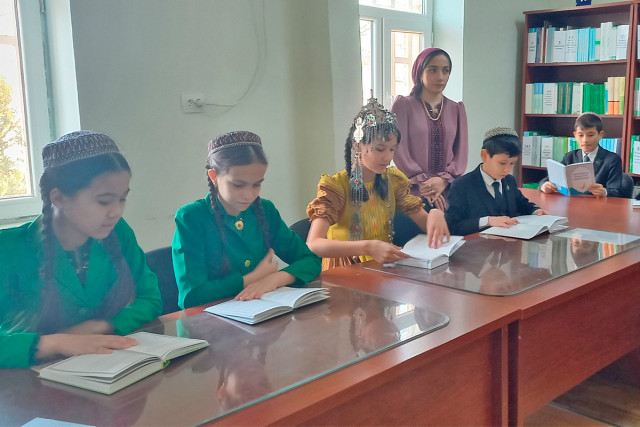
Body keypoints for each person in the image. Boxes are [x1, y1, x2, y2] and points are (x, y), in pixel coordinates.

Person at [0, 131, 162, 368]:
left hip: (105, 369)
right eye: (104, 201)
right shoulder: (8, 248)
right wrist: (56, 342)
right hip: (27, 379)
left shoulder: (118, 231)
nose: (116, 212)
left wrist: (102, 326)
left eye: (122, 199)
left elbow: (150, 298)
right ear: (59, 198)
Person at [172, 131, 321, 308]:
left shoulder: (265, 210)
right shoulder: (191, 217)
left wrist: (274, 279)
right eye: (238, 185)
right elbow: (191, 296)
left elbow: (311, 260)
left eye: (257, 184)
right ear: (214, 177)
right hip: (212, 319)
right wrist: (251, 278)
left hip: (262, 312)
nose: (249, 194)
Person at [306, 94, 450, 270]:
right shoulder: (337, 187)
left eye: (392, 150)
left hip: (382, 268)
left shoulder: (393, 180)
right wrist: (368, 247)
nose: (387, 157)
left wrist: (435, 215)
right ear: (357, 146)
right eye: (380, 149)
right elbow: (314, 244)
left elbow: (425, 223)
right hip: (344, 272)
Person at [391, 47, 468, 210]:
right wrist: (423, 183)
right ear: (419, 72)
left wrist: (443, 180)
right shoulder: (403, 105)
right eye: (433, 70)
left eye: (445, 71)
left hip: (448, 191)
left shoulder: (456, 109)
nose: (440, 77)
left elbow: (461, 152)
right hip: (412, 191)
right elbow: (399, 149)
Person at [446, 127, 548, 236]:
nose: (507, 169)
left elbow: (522, 204)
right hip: (478, 243)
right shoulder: (462, 185)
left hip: (509, 241)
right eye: (502, 163)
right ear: (484, 156)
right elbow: (453, 226)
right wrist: (488, 221)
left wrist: (536, 211)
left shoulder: (509, 180)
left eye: (512, 163)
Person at [539, 112, 623, 197]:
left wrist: (604, 192)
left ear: (600, 135)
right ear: (575, 135)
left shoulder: (612, 160)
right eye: (580, 135)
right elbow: (547, 180)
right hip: (572, 202)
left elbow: (616, 191)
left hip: (598, 203)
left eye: (590, 135)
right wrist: (544, 185)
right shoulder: (570, 156)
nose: (585, 140)